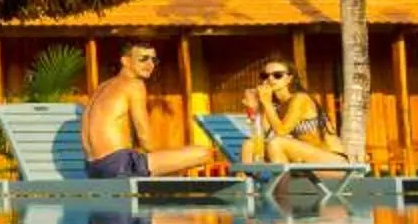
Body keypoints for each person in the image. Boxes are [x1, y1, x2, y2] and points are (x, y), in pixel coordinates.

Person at [80, 41, 218, 179]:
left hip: (93, 168)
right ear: (125, 61)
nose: (150, 64)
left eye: (154, 59)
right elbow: (144, 138)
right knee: (205, 153)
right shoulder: (134, 84)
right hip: (119, 165)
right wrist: (164, 159)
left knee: (167, 162)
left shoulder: (101, 87)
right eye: (143, 59)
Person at [244, 59, 353, 166]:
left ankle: (281, 183)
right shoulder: (275, 107)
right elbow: (262, 135)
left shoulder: (300, 98)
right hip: (304, 161)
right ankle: (245, 181)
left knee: (276, 143)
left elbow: (281, 132)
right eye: (265, 76)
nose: (270, 79)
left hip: (333, 161)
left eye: (277, 75)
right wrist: (256, 108)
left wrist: (267, 103)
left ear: (289, 79)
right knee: (249, 145)